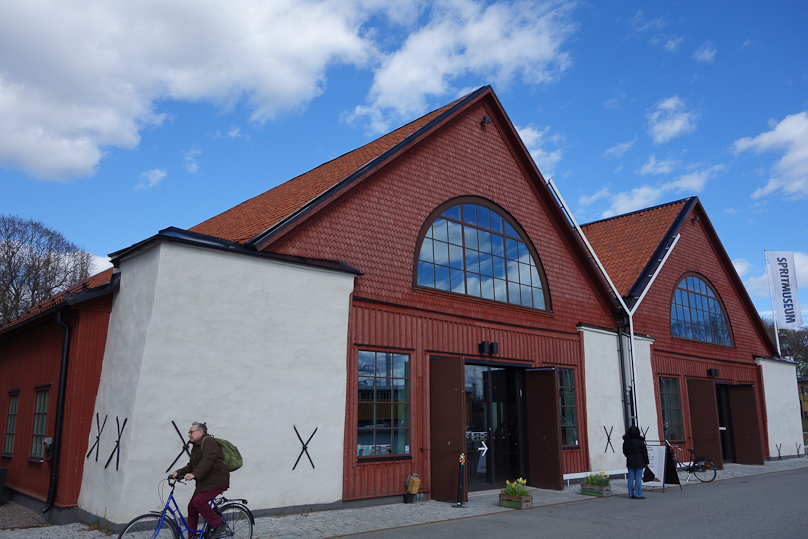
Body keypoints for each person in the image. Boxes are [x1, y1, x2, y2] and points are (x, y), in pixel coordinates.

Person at [170, 422, 230, 539]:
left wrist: (194, 474)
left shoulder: (209, 442)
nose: (189, 435)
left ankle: (219, 525)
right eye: (189, 432)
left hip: (216, 481)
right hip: (205, 483)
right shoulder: (196, 446)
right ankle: (192, 536)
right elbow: (192, 465)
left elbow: (207, 461)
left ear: (200, 432)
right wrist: (178, 472)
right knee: (192, 507)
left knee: (198, 502)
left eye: (191, 432)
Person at [622, 425, 649, 499]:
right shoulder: (640, 442)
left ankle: (631, 494)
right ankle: (638, 494)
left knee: (630, 477)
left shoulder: (626, 441)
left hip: (630, 460)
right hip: (639, 460)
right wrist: (646, 461)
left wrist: (628, 456)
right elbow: (644, 452)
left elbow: (624, 451)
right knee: (638, 478)